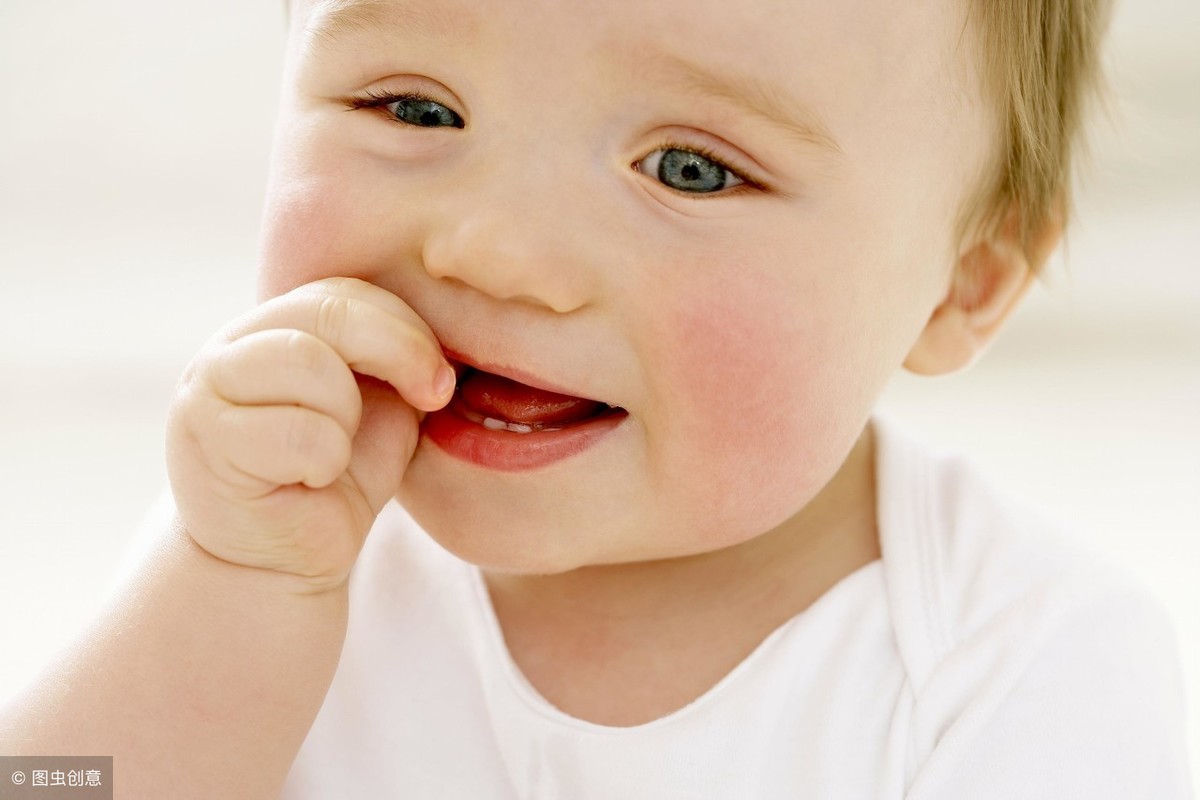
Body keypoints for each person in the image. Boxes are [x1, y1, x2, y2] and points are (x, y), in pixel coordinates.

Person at [1, 0, 1193, 796]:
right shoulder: (270, 539)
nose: (496, 252)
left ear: (964, 283)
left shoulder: (1036, 672)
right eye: (415, 108)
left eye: (690, 169)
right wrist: (231, 591)